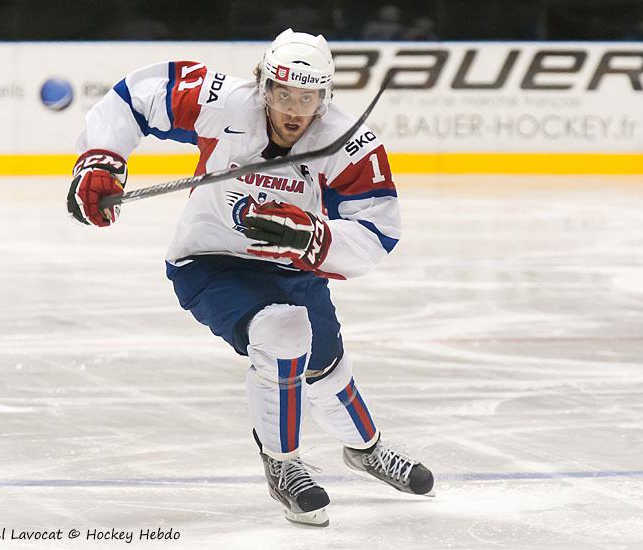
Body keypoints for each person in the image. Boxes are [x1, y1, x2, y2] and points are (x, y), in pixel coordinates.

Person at [66, 28, 433, 527]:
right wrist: (101, 159)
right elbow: (136, 97)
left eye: (308, 97)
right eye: (284, 94)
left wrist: (310, 237)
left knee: (326, 363)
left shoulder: (347, 143)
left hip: (291, 266)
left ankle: (365, 448)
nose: (294, 111)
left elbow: (378, 232)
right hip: (210, 260)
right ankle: (283, 465)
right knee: (282, 333)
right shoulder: (223, 102)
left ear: (325, 97)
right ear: (263, 85)